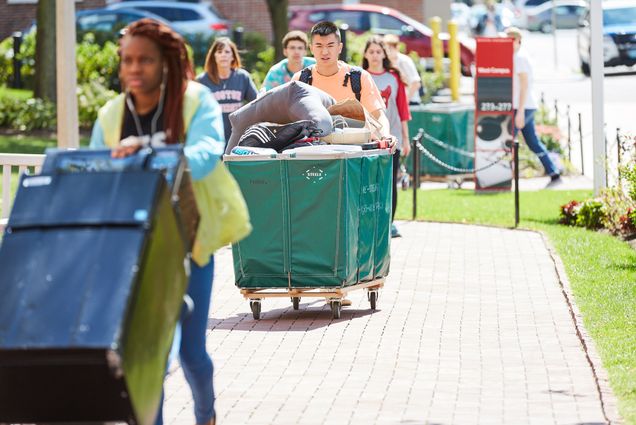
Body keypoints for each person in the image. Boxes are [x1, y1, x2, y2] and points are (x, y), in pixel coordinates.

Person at [89, 18, 225, 425]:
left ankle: (207, 415)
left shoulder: (196, 102)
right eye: (127, 60)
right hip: (136, 250)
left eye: (145, 60)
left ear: (165, 63)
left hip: (190, 244)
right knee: (152, 354)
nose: (134, 68)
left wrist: (146, 150)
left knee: (191, 354)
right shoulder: (112, 115)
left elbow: (205, 154)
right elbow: (95, 171)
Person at [291, 21, 395, 143]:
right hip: (313, 155)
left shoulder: (360, 77)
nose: (325, 52)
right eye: (319, 46)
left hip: (355, 154)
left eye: (330, 45)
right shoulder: (300, 80)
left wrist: (385, 136)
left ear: (339, 47)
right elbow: (289, 119)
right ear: (311, 48)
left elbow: (378, 115)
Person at [362, 36, 412, 238]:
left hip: (393, 137)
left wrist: (406, 138)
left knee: (390, 183)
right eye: (371, 52)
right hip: (367, 139)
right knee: (367, 183)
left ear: (384, 54)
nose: (374, 56)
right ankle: (369, 222)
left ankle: (389, 222)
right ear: (365, 54)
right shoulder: (360, 77)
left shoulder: (394, 78)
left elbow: (402, 109)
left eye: (378, 51)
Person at [506, 27, 561, 187]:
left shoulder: (520, 58)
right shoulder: (517, 57)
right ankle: (553, 171)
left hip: (523, 106)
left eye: (511, 40)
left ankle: (504, 174)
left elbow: (524, 86)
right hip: (523, 105)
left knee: (509, 140)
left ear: (518, 41)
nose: (508, 43)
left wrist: (520, 111)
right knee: (532, 141)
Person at [197, 37, 258, 146]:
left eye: (227, 52)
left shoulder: (242, 77)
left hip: (238, 137)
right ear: (214, 56)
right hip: (212, 138)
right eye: (219, 52)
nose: (223, 55)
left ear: (233, 56)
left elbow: (257, 103)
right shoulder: (202, 80)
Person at [383, 34, 422, 106]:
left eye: (390, 48)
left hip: (411, 102)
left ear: (396, 48)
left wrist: (405, 101)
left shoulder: (404, 61)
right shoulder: (386, 62)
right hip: (396, 103)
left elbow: (416, 83)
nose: (388, 52)